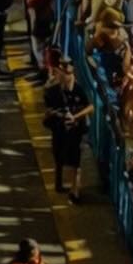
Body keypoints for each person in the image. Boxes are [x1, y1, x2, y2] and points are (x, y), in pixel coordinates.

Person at [43, 57, 93, 202]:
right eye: (63, 73)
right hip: (59, 129)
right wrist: (56, 114)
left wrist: (76, 116)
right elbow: (48, 110)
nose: (66, 76)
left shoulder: (78, 89)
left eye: (68, 74)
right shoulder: (53, 91)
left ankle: (75, 191)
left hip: (75, 130)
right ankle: (59, 184)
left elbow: (90, 106)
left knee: (75, 162)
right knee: (58, 156)